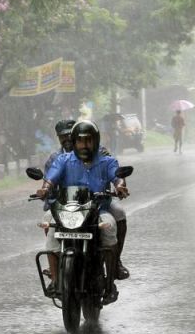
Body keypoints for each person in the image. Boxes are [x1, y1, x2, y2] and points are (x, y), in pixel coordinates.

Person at [36, 120, 129, 305]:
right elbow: (51, 178)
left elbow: (117, 177)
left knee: (110, 227)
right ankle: (55, 279)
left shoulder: (107, 160)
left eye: (88, 140)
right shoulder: (62, 160)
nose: (84, 145)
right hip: (67, 211)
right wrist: (44, 189)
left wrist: (120, 186)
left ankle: (110, 283)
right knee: (50, 227)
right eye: (80, 141)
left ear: (96, 141)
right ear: (74, 141)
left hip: (97, 211)